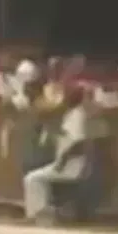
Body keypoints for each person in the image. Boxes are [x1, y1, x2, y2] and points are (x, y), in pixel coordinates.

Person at [22, 83, 91, 225]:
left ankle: (36, 213)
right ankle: (42, 212)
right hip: (67, 163)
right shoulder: (72, 113)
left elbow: (77, 144)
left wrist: (62, 161)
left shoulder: (77, 115)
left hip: (71, 166)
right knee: (37, 178)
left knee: (31, 179)